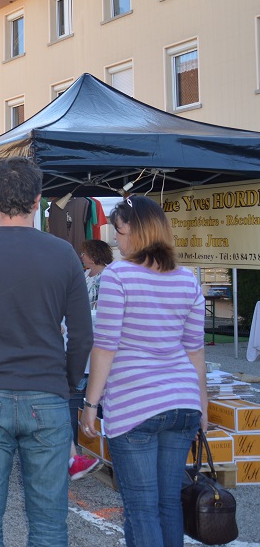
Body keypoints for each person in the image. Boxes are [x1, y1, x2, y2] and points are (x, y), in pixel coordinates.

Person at [0, 157, 93, 546]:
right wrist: (68, 383)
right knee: (47, 522)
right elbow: (81, 335)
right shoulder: (64, 255)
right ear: (39, 200)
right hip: (47, 394)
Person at [80, 195, 206, 547]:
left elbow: (105, 345)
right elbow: (196, 352)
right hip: (183, 403)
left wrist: (91, 404)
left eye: (119, 232)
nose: (116, 241)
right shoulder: (187, 280)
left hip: (135, 405)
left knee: (141, 508)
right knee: (168, 504)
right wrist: (203, 409)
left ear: (137, 231)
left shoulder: (119, 275)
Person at [66, 237, 115, 480]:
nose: (82, 257)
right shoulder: (87, 276)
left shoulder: (108, 277)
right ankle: (78, 454)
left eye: (85, 253)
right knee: (76, 401)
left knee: (88, 399)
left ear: (94, 255)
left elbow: (99, 312)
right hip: (85, 342)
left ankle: (99, 451)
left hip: (97, 343)